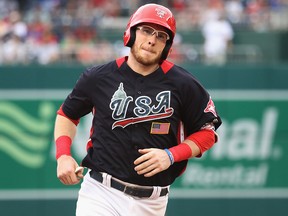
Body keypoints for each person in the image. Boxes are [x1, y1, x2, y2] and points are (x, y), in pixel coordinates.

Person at [54, 3, 222, 216]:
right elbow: (67, 115)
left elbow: (207, 133)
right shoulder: (99, 77)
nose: (152, 40)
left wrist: (171, 155)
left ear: (167, 45)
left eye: (161, 36)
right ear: (131, 33)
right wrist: (62, 155)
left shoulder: (184, 84)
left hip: (152, 202)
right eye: (146, 30)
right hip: (101, 192)